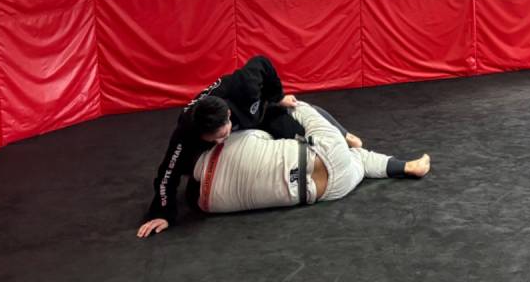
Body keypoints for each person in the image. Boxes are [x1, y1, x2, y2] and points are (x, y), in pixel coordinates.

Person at [137, 55, 305, 238]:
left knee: (298, 136)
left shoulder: (245, 86)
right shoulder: (186, 132)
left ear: (228, 114)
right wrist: (162, 213)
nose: (220, 141)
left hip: (257, 116)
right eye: (213, 139)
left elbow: (262, 62)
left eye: (222, 136)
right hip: (206, 148)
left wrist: (278, 96)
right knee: (188, 170)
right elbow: (167, 173)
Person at [193, 99, 429, 214]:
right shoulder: (232, 144)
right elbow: (264, 135)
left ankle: (406, 166)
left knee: (360, 159)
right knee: (300, 107)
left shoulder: (210, 206)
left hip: (330, 190)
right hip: (325, 151)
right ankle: (348, 136)